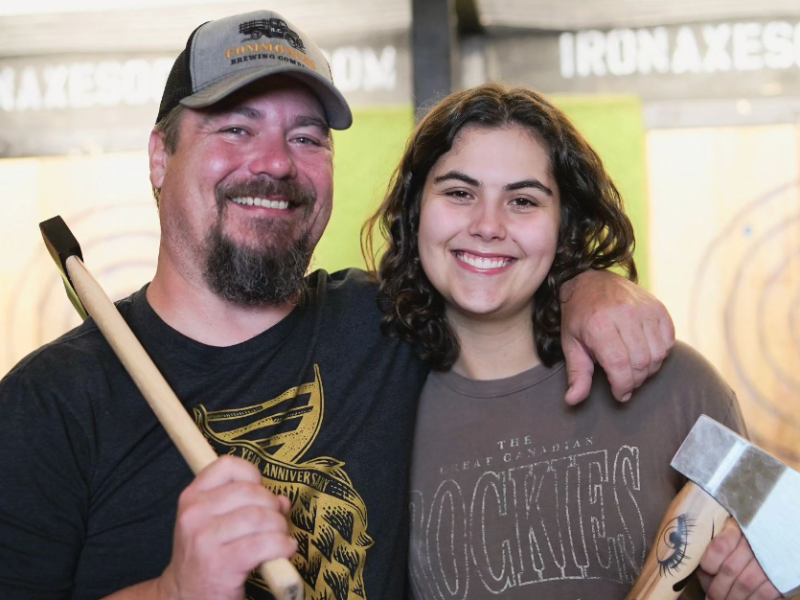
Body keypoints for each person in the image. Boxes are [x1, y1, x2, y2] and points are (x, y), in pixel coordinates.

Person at [0, 11, 673, 600]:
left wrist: (585, 284)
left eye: (307, 136)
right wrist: (174, 591)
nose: (275, 163)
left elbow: (493, 262)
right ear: (159, 157)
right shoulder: (49, 404)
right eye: (236, 128)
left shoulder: (390, 324)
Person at [365, 83, 783, 600]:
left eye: (522, 200)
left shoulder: (677, 384)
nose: (488, 225)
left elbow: (785, 549)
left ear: (564, 225)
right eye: (458, 192)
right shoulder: (384, 410)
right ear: (415, 212)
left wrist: (774, 582)